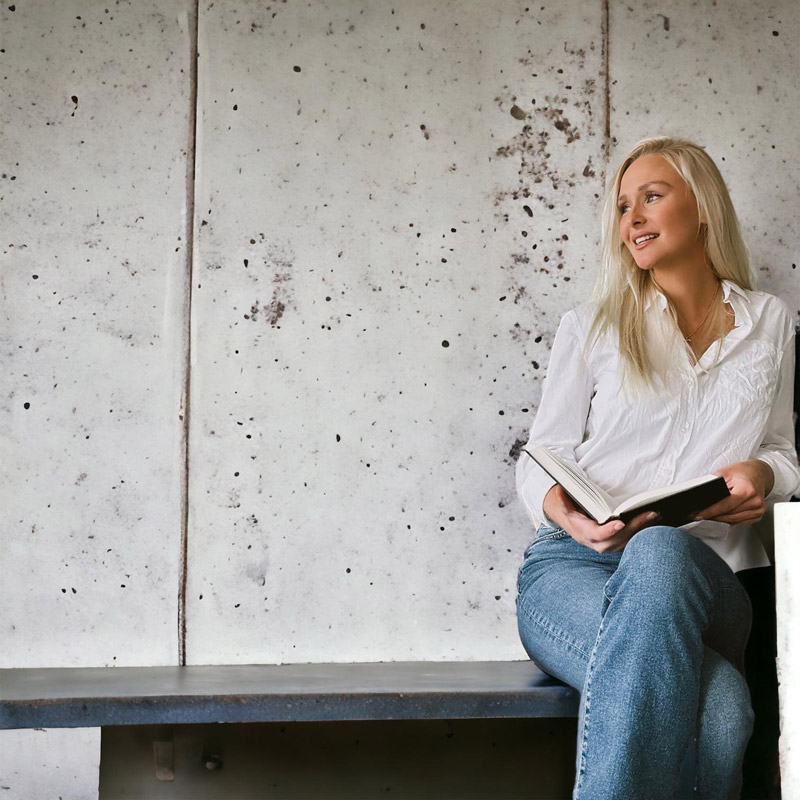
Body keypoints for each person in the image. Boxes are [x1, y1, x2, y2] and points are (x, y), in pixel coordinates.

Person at [515, 136, 799, 799]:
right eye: (622, 207)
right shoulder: (591, 326)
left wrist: (765, 476)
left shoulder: (769, 322)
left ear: (702, 208)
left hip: (706, 580)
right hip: (575, 569)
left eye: (651, 197)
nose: (631, 220)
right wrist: (569, 514)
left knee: (663, 551)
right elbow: (540, 460)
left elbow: (783, 449)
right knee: (723, 708)